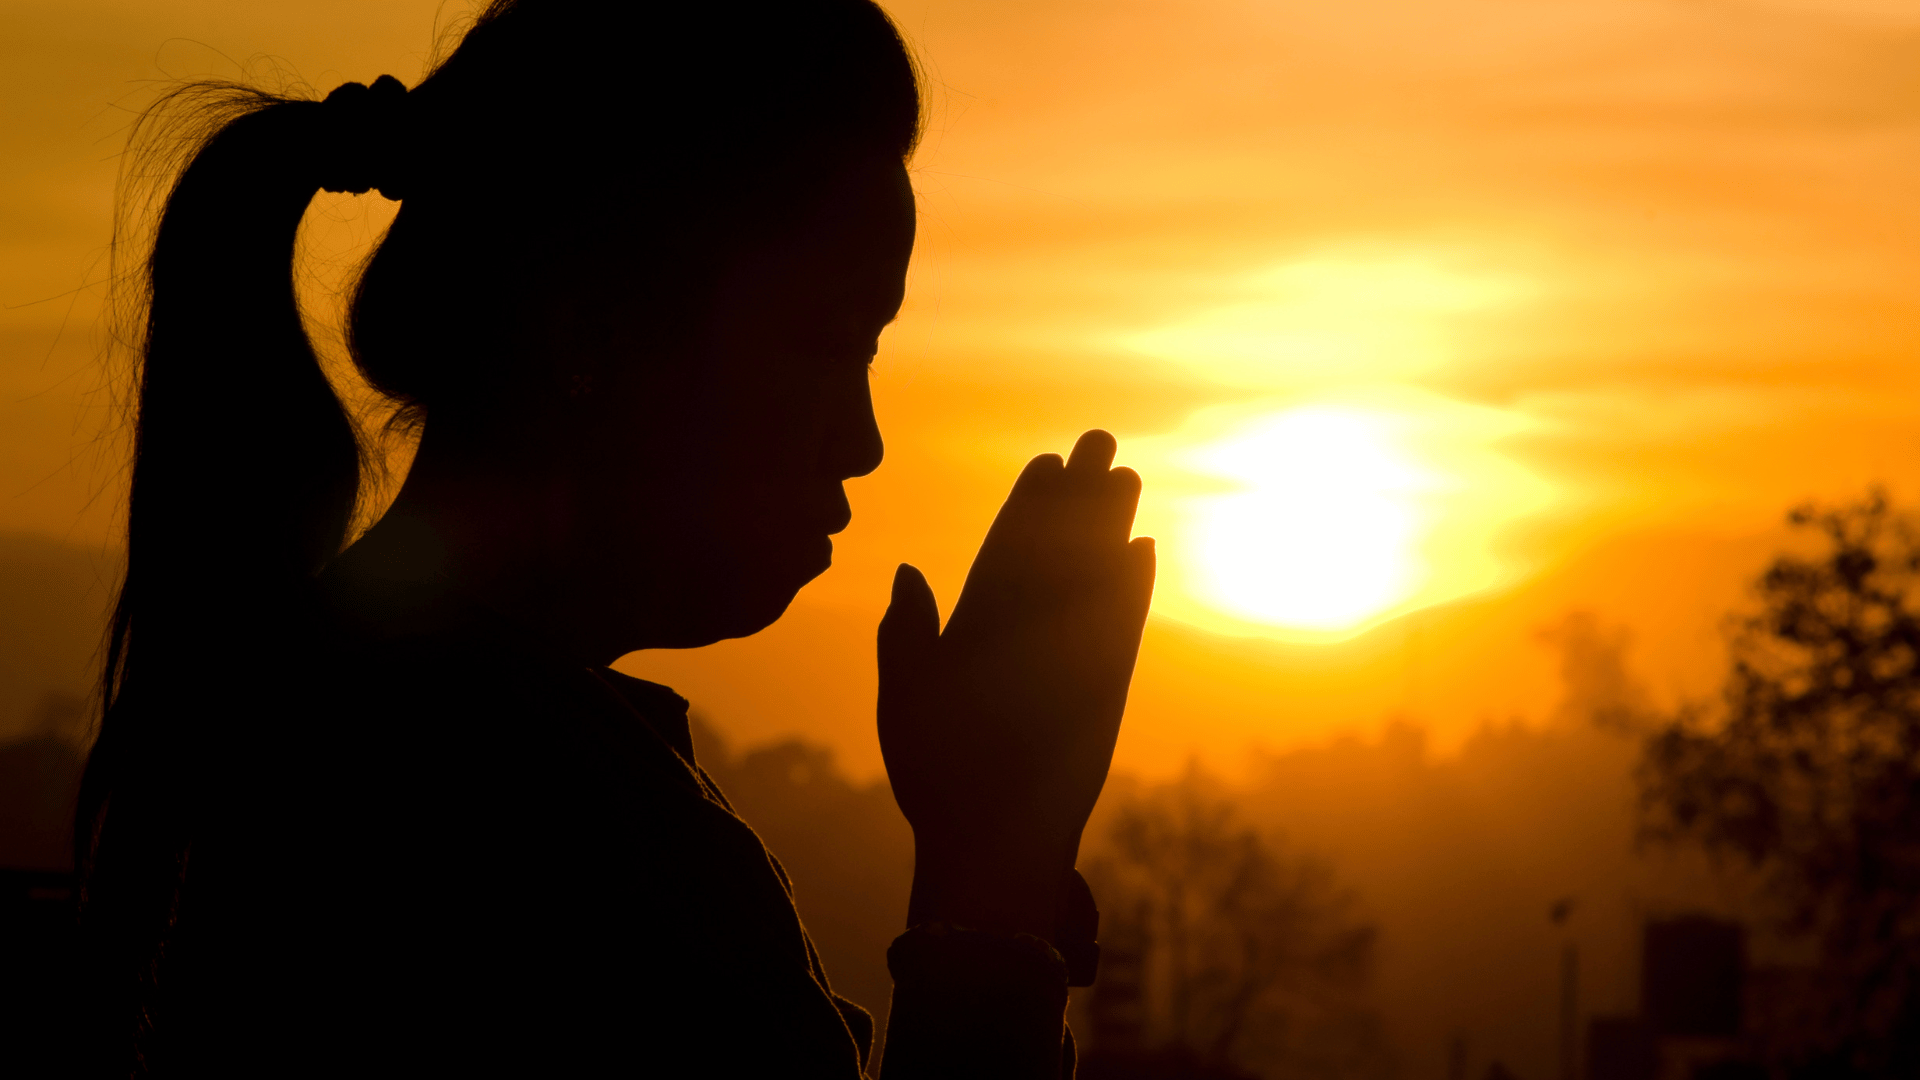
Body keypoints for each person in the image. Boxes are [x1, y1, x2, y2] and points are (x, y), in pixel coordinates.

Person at [73, 0, 1156, 1075]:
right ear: (589, 332)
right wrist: (988, 876)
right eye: (827, 346)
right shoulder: (526, 829)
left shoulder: (328, 714)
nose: (863, 442)